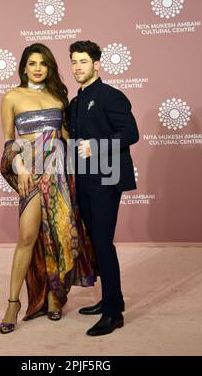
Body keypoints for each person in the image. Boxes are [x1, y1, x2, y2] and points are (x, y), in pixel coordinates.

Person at [0, 43, 97, 334]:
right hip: (30, 171)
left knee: (63, 235)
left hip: (59, 175)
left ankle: (56, 295)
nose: (38, 68)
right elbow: (8, 142)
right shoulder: (12, 97)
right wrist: (19, 166)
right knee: (27, 236)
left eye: (43, 63)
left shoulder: (58, 97)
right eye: (32, 63)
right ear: (24, 67)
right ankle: (13, 303)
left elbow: (69, 138)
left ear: (50, 67)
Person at [69, 40, 139, 336]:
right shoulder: (75, 102)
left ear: (97, 64)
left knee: (103, 244)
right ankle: (111, 299)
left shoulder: (111, 96)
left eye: (83, 61)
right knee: (95, 244)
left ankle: (113, 313)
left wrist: (95, 147)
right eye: (74, 62)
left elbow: (131, 134)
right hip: (83, 181)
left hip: (106, 180)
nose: (77, 67)